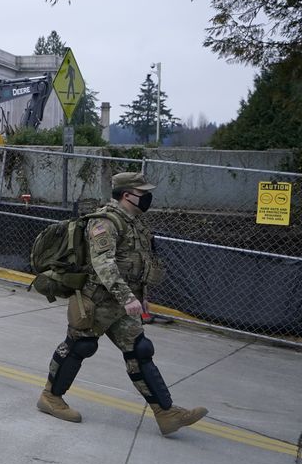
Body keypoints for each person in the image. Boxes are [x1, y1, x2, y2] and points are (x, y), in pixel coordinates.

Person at [37, 172, 208, 435]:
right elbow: (103, 263)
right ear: (127, 195)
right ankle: (50, 397)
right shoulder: (105, 222)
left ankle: (166, 412)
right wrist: (127, 297)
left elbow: (139, 263)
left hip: (123, 303)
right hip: (96, 300)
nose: (147, 197)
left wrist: (140, 295)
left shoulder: (135, 222)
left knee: (140, 351)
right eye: (143, 193)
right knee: (78, 346)